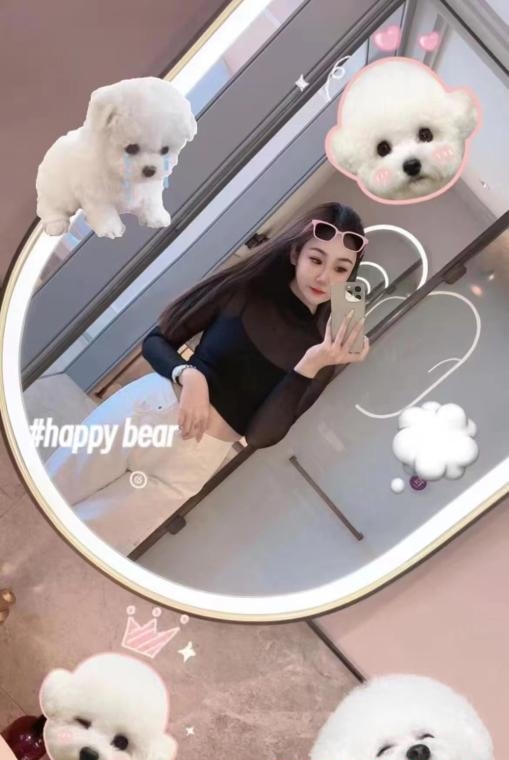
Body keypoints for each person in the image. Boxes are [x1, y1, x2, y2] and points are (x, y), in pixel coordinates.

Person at [46, 202, 371, 554]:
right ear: (295, 253)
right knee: (48, 495)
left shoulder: (323, 353)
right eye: (316, 259)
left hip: (192, 463)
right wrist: (190, 377)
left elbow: (260, 436)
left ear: (350, 276)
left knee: (83, 546)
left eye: (341, 268)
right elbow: (157, 341)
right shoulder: (247, 288)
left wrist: (310, 364)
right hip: (149, 412)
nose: (324, 277)